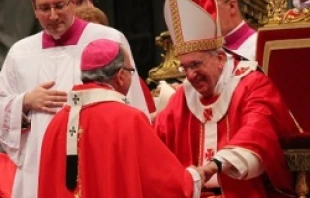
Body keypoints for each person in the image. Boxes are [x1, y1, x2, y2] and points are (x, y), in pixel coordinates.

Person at [0, 0, 149, 197]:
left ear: (73, 4)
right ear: (34, 10)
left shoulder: (108, 39)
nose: (53, 16)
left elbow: (131, 103)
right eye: (44, 9)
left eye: (59, 6)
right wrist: (25, 101)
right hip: (38, 164)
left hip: (96, 156)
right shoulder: (20, 53)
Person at [154, 0, 298, 197]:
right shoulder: (182, 98)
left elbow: (258, 131)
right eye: (184, 67)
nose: (189, 75)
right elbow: (157, 140)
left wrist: (212, 167)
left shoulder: (252, 84)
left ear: (220, 59)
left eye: (196, 64)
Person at [38, 39, 208, 198]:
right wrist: (193, 177)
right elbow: (163, 184)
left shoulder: (56, 123)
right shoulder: (128, 120)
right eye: (130, 71)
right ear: (120, 76)